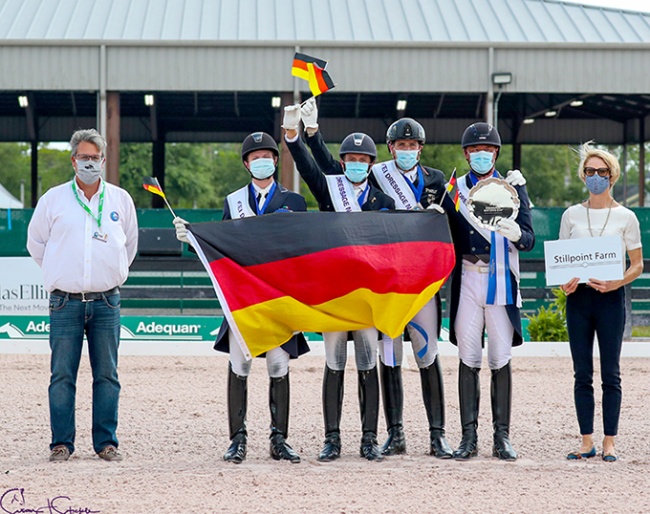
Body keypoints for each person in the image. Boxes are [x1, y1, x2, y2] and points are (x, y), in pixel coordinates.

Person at [297, 100, 453, 458]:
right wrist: (312, 134)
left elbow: (449, 225)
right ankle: (394, 433)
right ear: (390, 149)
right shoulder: (379, 174)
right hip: (386, 285)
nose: (407, 151)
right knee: (390, 356)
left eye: (413, 146)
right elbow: (327, 169)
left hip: (421, 283)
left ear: (421, 149)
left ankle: (437, 434)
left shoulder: (437, 180)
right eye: (401, 146)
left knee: (427, 353)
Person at [174, 132, 309, 464]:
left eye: (267, 155)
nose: (261, 161)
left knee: (278, 364)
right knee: (241, 363)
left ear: (275, 161)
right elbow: (218, 247)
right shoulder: (232, 201)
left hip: (279, 296)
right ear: (247, 163)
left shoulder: (295, 201)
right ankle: (238, 439)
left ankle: (279, 439)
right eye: (255, 156)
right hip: (243, 298)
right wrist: (191, 238)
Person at [282, 103, 394, 462]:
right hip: (334, 290)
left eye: (364, 159)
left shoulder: (383, 200)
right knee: (334, 361)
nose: (357, 164)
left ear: (371, 164)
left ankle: (368, 439)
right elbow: (306, 164)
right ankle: (332, 438)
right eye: (351, 159)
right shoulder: (330, 190)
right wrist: (293, 136)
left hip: (365, 295)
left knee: (366, 362)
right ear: (342, 162)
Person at [27, 128, 138, 462]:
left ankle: (106, 442)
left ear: (103, 161)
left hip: (107, 300)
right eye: (83, 158)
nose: (89, 163)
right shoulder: (53, 200)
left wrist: (109, 272)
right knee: (62, 375)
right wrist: (64, 272)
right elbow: (36, 245)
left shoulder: (120, 200)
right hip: (65, 301)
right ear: (73, 160)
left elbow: (129, 245)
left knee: (107, 375)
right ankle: (61, 442)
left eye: (95, 158)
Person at [441, 122, 534, 461]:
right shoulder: (455, 191)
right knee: (468, 355)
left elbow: (529, 239)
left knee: (500, 356)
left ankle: (502, 437)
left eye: (488, 151)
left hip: (500, 278)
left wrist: (515, 234)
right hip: (467, 276)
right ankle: (468, 437)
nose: (482, 155)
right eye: (475, 151)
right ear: (467, 154)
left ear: (496, 153)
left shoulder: (512, 188)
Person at [559, 142, 642, 462]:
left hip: (610, 299)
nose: (595, 176)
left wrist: (616, 282)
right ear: (583, 176)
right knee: (582, 372)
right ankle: (585, 440)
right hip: (578, 299)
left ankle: (609, 441)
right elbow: (563, 260)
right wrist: (565, 282)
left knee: (611, 372)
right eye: (590, 171)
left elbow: (636, 264)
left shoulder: (626, 217)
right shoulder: (571, 215)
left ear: (612, 176)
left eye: (601, 172)